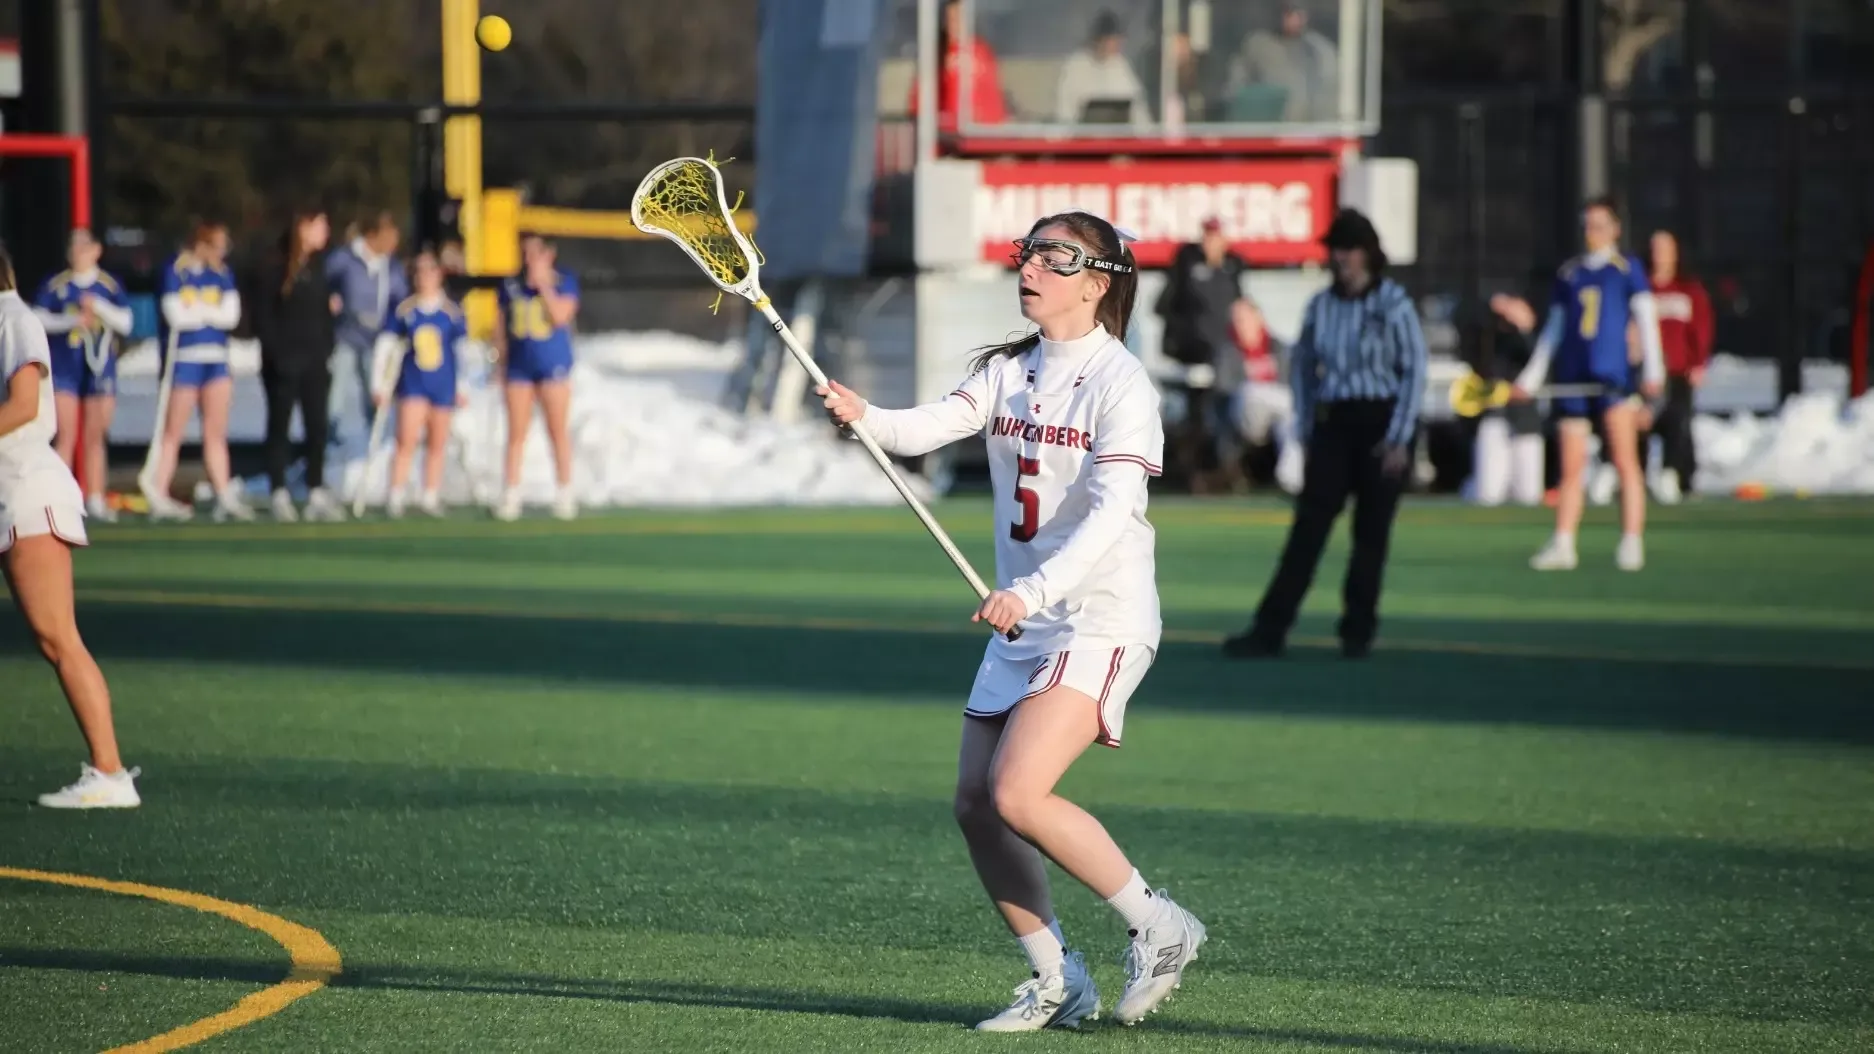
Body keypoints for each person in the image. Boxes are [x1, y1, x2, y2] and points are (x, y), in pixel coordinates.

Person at [815, 210, 1206, 1032]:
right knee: (974, 804)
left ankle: (1159, 925)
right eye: (1028, 252)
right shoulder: (1010, 371)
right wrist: (865, 414)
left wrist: (1031, 591)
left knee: (1018, 792)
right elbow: (926, 426)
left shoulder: (1122, 385)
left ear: (1097, 284)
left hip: (1098, 616)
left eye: (1054, 258)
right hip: (1027, 623)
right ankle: (1058, 978)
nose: (1029, 267)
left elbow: (1109, 518)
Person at [1223, 208, 1428, 660]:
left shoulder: (1393, 302)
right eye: (1336, 249)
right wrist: (1306, 425)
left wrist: (1399, 437)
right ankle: (1270, 629)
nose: (1341, 258)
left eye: (1349, 249)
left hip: (1381, 420)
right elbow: (1303, 366)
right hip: (1335, 421)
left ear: (1368, 254)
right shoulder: (1321, 305)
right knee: (1308, 529)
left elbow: (1413, 371)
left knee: (1370, 535)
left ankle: (1357, 632)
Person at [0, 245, 140, 808]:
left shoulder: (13, 318)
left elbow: (25, 405)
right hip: (10, 492)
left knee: (58, 637)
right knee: (54, 639)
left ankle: (111, 773)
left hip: (27, 491)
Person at [1515, 197, 1665, 572]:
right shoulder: (1570, 273)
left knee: (1625, 460)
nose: (1591, 233)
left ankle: (1631, 540)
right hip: (1573, 379)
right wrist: (1531, 377)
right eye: (1587, 225)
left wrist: (1654, 371)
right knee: (1571, 467)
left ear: (1615, 229)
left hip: (1612, 379)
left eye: (1599, 225)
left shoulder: (1626, 269)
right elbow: (1554, 330)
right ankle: (1564, 543)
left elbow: (1646, 320)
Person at [145, 221, 249, 522]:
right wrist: (208, 313)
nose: (221, 252)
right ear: (200, 245)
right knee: (173, 432)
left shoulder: (222, 274)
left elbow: (231, 316)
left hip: (216, 359)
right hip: (183, 360)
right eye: (216, 246)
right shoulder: (174, 271)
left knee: (216, 433)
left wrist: (200, 311)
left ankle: (223, 494)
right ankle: (159, 492)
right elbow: (177, 316)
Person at [32, 229, 134, 523]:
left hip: (100, 370)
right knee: (65, 435)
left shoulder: (108, 286)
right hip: (64, 368)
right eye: (73, 246)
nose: (77, 252)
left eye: (83, 246)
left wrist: (98, 307)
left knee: (95, 436)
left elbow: (126, 322)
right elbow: (37, 318)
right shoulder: (56, 285)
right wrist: (73, 320)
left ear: (96, 250)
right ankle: (56, 499)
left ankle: (95, 497)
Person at [253, 207, 344, 522]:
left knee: (317, 427)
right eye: (320, 225)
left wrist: (326, 348)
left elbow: (323, 316)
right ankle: (278, 490)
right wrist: (277, 355)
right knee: (280, 426)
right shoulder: (275, 267)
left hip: (315, 362)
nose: (325, 233)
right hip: (283, 363)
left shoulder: (319, 267)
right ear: (304, 227)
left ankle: (315, 489)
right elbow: (263, 316)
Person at [373, 249, 467, 518]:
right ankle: (396, 493)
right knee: (406, 439)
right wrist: (380, 385)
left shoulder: (451, 312)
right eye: (420, 271)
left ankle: (430, 495)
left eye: (430, 271)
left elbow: (462, 351)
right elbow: (386, 347)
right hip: (413, 383)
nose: (424, 277)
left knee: (437, 442)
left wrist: (463, 386)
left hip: (442, 384)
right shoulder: (405, 309)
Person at [494, 233, 580, 521]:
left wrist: (543, 286)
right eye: (525, 253)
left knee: (557, 430)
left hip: (552, 365)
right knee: (516, 432)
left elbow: (560, 316)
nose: (528, 260)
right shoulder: (511, 284)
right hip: (519, 366)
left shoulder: (564, 281)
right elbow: (500, 326)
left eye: (534, 254)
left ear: (548, 255)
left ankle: (565, 491)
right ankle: (511, 493)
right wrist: (500, 361)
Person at [326, 211, 408, 461]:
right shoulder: (346, 259)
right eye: (389, 237)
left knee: (376, 391)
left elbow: (400, 300)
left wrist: (395, 329)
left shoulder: (392, 267)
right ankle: (330, 440)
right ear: (374, 235)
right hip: (346, 335)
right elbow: (326, 282)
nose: (393, 243)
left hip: (376, 340)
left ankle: (376, 442)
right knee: (336, 390)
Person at [1642, 229, 1714, 503]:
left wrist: (1698, 363)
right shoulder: (1641, 288)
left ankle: (1676, 476)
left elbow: (1702, 329)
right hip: (1645, 375)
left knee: (1678, 422)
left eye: (1665, 249)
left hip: (1677, 371)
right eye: (1655, 249)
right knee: (1641, 424)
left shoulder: (1689, 290)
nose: (1659, 255)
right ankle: (1634, 479)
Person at [1467, 293, 1546, 506]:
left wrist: (1523, 327)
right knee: (1488, 493)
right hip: (1495, 416)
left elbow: (1537, 362)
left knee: (1529, 494)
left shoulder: (1537, 341)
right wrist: (1497, 308)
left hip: (1526, 420)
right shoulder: (1489, 337)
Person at [907, 0, 1007, 130]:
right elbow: (920, 101)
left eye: (959, 18)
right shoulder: (937, 55)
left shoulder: (981, 52)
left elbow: (993, 98)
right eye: (950, 19)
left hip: (982, 131)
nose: (954, 24)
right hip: (947, 132)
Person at [1053, 11, 1150, 125]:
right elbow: (1065, 112)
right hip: (1083, 134)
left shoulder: (1120, 64)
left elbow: (1137, 107)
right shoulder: (1076, 66)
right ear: (1100, 40)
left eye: (1119, 40)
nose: (1118, 44)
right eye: (1113, 40)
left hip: (1119, 133)